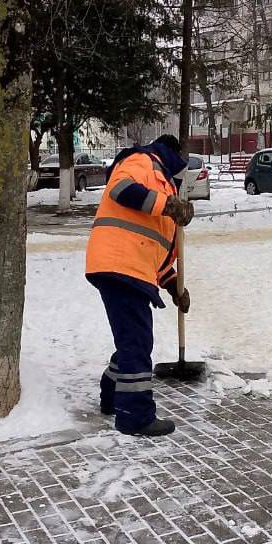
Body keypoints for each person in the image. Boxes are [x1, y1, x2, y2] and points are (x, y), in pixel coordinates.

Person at [85, 134, 194, 437]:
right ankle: (135, 416)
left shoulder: (161, 180)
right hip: (119, 263)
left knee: (133, 338)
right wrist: (168, 204)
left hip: (129, 265)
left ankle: (111, 395)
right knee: (136, 341)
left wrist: (175, 288)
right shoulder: (141, 161)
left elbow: (156, 253)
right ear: (170, 154)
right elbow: (120, 189)